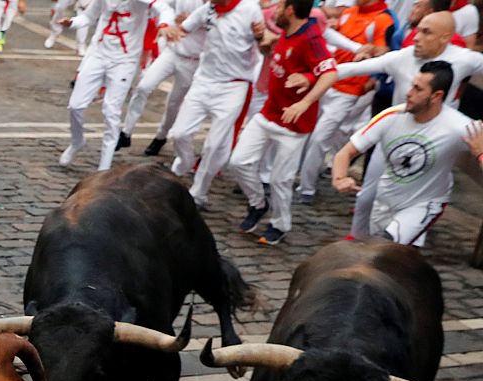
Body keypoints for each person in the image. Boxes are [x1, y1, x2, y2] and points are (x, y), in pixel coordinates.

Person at [332, 10, 483, 233]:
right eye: (417, 30)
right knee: (369, 197)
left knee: (415, 204)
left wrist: (479, 151)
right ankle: (358, 239)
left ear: (445, 37)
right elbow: (349, 69)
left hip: (437, 140)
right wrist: (312, 76)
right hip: (394, 137)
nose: (416, 37)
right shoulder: (401, 61)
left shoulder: (465, 59)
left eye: (426, 32)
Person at [229, 0, 339, 245]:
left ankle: (280, 224)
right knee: (239, 162)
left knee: (281, 179)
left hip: (294, 125)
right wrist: (264, 44)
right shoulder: (287, 33)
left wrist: (304, 102)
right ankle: (258, 204)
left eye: (279, 7)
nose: (274, 11)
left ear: (290, 10)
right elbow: (284, 62)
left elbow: (330, 73)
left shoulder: (311, 38)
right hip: (269, 113)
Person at [166, 0, 267, 207]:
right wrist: (173, 30)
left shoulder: (249, 9)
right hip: (203, 81)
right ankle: (184, 163)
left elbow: (264, 44)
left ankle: (199, 193)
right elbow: (183, 28)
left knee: (214, 145)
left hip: (234, 85)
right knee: (179, 133)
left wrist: (260, 36)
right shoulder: (208, 10)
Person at [295, 0, 396, 203]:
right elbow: (333, 37)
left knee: (320, 137)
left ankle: (306, 189)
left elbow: (382, 53)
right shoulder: (350, 12)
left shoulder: (383, 19)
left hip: (349, 90)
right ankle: (306, 174)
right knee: (312, 133)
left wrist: (370, 77)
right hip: (328, 82)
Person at [61, 0, 172, 169]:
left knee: (111, 112)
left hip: (125, 60)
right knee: (75, 105)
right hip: (98, 55)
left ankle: (103, 167)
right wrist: (73, 22)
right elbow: (89, 16)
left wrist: (164, 24)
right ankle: (77, 141)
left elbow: (165, 9)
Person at [122, 0, 207, 155]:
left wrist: (193, 21)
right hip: (172, 52)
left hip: (193, 61)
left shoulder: (220, 7)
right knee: (143, 86)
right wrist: (168, 22)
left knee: (174, 103)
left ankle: (160, 137)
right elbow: (164, 6)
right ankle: (126, 132)